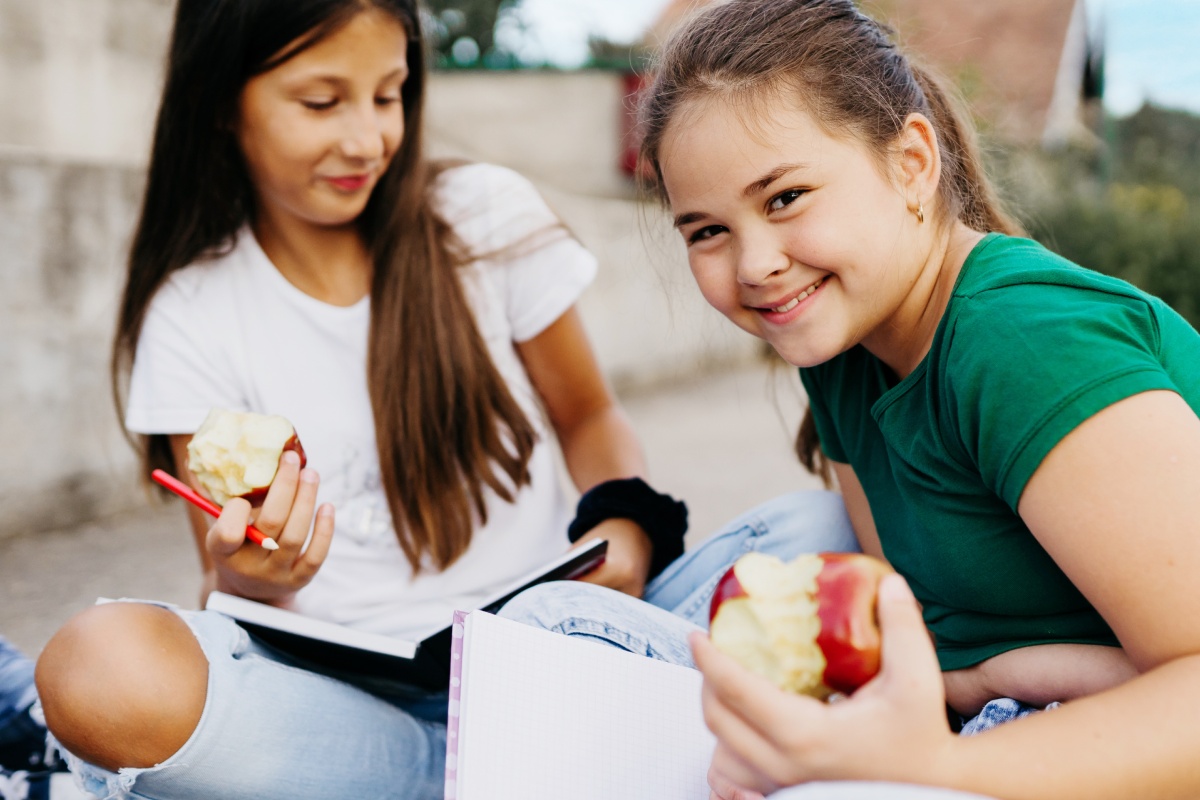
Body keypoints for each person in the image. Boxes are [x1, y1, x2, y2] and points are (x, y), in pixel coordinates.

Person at [29, 1, 735, 797]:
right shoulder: (191, 316)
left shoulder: (482, 215)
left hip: (551, 654)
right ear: (224, 102)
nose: (367, 140)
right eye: (321, 102)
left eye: (388, 93)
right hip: (354, 719)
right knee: (97, 666)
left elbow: (589, 415)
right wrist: (261, 576)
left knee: (812, 529)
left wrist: (623, 525)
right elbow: (232, 580)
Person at [500, 1, 1200, 798]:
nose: (756, 264)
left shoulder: (1023, 342)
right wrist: (964, 687)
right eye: (705, 231)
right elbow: (918, 621)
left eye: (786, 197)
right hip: (1000, 715)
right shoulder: (841, 347)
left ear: (911, 164)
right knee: (543, 642)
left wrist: (943, 752)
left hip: (1086, 747)